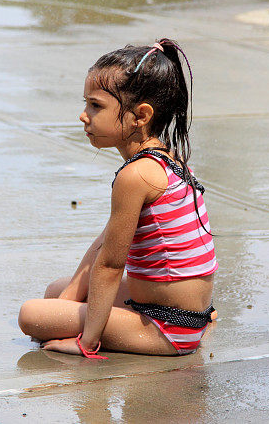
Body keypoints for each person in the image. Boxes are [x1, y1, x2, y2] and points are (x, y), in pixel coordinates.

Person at [18, 39, 217, 357]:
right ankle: (199, 321)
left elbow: (110, 266)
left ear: (140, 115)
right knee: (57, 290)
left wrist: (86, 340)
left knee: (31, 315)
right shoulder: (167, 160)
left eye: (95, 106)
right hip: (179, 311)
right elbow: (105, 243)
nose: (83, 116)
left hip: (169, 328)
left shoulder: (135, 176)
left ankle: (93, 332)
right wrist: (66, 301)